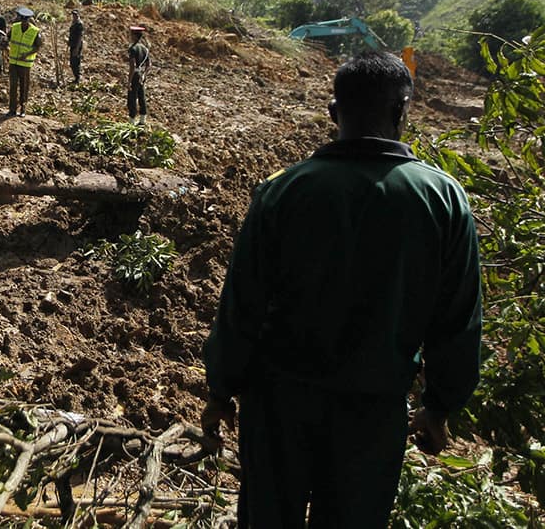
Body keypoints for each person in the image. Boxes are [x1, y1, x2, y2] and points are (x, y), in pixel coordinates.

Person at [201, 51, 482, 529]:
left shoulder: (284, 190)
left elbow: (241, 304)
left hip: (278, 407)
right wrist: (440, 404)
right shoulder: (443, 199)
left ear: (333, 112)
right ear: (402, 111)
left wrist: (221, 389)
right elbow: (456, 319)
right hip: (372, 413)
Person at [8, 7, 42, 117]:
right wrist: (4, 43)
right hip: (13, 62)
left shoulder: (35, 31)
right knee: (13, 86)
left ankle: (23, 108)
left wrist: (26, 55)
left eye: (25, 20)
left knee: (24, 87)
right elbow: (7, 38)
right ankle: (12, 109)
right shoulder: (14, 28)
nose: (23, 22)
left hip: (25, 64)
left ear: (29, 20)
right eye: (22, 20)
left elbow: (38, 47)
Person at [127, 25, 150, 125]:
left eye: (131, 34)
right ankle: (142, 120)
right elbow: (149, 64)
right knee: (141, 96)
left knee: (132, 98)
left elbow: (132, 66)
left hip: (135, 76)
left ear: (135, 36)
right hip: (141, 75)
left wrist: (129, 81)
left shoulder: (132, 49)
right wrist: (144, 74)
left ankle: (131, 121)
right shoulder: (145, 49)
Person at [68, 9, 84, 85]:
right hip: (72, 45)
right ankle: (76, 78)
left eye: (75, 15)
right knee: (72, 62)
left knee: (75, 62)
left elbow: (80, 37)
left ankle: (77, 79)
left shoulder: (79, 24)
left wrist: (77, 49)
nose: (74, 16)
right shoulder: (73, 23)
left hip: (76, 45)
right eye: (73, 15)